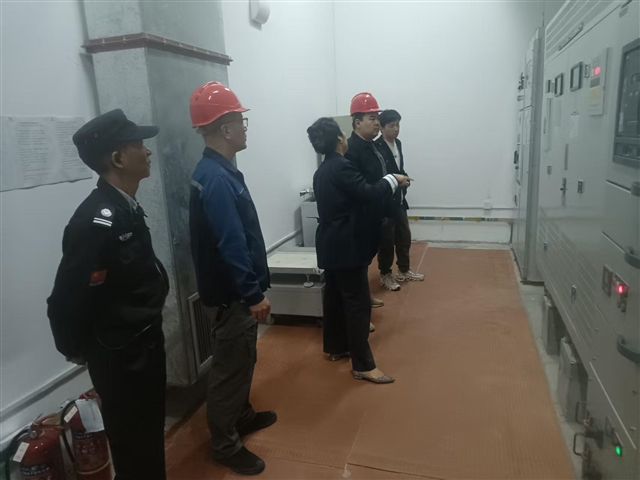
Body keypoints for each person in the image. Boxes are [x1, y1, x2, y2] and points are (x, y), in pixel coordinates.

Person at [47, 109, 169, 480]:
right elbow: (65, 297)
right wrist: (76, 347)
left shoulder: (124, 206)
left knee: (149, 434)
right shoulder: (94, 221)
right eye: (139, 145)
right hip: (121, 356)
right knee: (133, 442)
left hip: (143, 343)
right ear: (117, 158)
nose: (148, 151)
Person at [189, 81, 276, 476]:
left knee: (243, 360)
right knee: (229, 370)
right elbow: (231, 243)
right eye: (241, 121)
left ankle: (241, 416)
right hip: (232, 297)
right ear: (224, 129)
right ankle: (225, 445)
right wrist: (252, 294)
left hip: (232, 293)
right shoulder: (217, 178)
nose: (245, 128)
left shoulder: (218, 171)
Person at [308, 117, 410, 384]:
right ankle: (363, 365)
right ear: (340, 138)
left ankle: (335, 347)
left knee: (334, 299)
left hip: (329, 243)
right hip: (346, 245)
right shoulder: (342, 166)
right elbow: (368, 192)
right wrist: (393, 179)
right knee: (358, 304)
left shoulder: (322, 170)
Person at [345, 92, 397, 329]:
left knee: (366, 261)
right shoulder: (352, 150)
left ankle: (364, 297)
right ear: (357, 123)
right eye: (371, 118)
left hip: (377, 214)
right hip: (361, 218)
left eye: (378, 118)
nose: (377, 123)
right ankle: (360, 313)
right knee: (357, 266)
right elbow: (360, 189)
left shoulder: (372, 146)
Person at [375, 109, 424, 291]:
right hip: (386, 202)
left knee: (404, 236)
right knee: (386, 241)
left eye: (398, 125)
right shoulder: (376, 147)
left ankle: (404, 270)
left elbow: (398, 168)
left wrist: (405, 177)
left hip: (400, 200)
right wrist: (397, 182)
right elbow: (380, 175)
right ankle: (385, 274)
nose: (396, 129)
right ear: (381, 127)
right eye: (391, 125)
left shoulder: (398, 143)